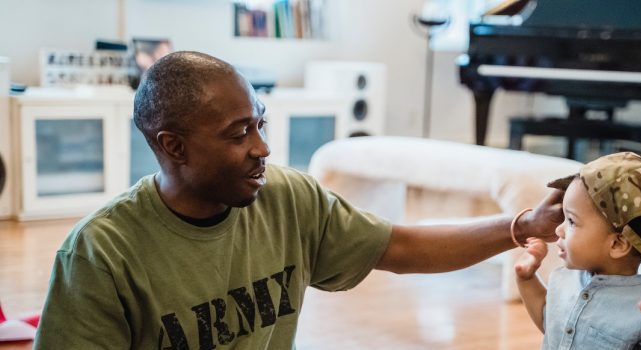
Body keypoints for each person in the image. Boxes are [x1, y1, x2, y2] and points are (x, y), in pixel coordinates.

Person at [34, 51, 565, 349]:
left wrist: (525, 224)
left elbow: (401, 247)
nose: (262, 148)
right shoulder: (100, 255)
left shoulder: (286, 197)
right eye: (238, 133)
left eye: (259, 124)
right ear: (173, 146)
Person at [514, 152, 641, 350]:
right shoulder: (563, 277)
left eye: (572, 221)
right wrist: (527, 279)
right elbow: (550, 324)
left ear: (617, 244)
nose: (559, 229)